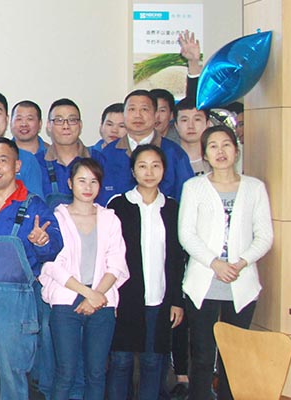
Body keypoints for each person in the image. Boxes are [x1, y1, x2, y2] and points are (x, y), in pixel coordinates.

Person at [0, 137, 62, 400]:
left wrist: (43, 241)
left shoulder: (34, 206)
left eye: (2, 160)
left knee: (12, 373)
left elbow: (54, 247)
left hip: (15, 301)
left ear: (17, 166)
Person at [179, 126, 273, 400]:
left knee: (234, 357)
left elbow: (265, 235)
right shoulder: (194, 187)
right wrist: (215, 264)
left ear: (236, 150)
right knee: (202, 355)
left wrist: (241, 263)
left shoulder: (254, 187)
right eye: (213, 146)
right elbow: (186, 234)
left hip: (241, 282)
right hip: (204, 281)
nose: (220, 151)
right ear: (205, 154)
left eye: (226, 145)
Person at [39, 158, 129, 400]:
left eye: (94, 181)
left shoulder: (110, 218)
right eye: (81, 180)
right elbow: (52, 264)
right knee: (65, 373)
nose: (88, 187)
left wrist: (96, 295)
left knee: (96, 373)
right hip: (66, 302)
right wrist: (88, 294)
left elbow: (117, 263)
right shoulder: (57, 218)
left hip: (102, 301)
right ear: (70, 183)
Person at [105, 145, 186, 400]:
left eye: (155, 166)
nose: (149, 172)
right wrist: (110, 296)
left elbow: (176, 259)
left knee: (153, 362)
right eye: (142, 166)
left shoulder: (172, 208)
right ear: (133, 171)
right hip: (125, 298)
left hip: (159, 299)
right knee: (121, 362)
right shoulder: (118, 205)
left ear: (164, 170)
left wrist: (176, 300)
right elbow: (109, 255)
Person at [98, 90, 194, 205]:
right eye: (132, 109)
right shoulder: (107, 154)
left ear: (155, 115)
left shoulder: (174, 153)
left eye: (144, 109)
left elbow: (188, 199)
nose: (138, 115)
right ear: (124, 115)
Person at [37, 98, 103, 209]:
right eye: (59, 120)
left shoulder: (99, 160)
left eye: (72, 120)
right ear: (48, 125)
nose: (66, 126)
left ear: (80, 125)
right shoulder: (36, 163)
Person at [174, 98, 211, 175]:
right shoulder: (169, 159)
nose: (190, 126)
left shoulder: (216, 157)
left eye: (197, 119)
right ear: (176, 125)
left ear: (207, 124)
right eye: (184, 120)